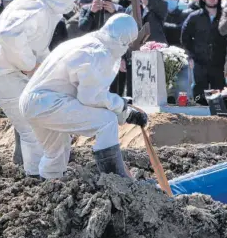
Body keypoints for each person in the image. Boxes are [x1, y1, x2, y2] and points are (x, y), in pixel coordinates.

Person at [0, 0, 87, 176]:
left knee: (37, 119)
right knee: (32, 124)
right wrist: (29, 65)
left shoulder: (47, 8)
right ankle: (36, 178)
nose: (74, 4)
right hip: (0, 72)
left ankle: (42, 173)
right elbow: (9, 36)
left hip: (6, 68)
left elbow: (38, 46)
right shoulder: (37, 8)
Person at [19, 14, 147, 179]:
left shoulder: (85, 43)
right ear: (126, 40)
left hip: (33, 103)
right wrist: (122, 108)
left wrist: (124, 112)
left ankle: (49, 192)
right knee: (106, 122)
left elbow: (93, 94)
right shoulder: (99, 52)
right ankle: (118, 181)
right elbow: (90, 98)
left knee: (57, 152)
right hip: (50, 102)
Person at [181, 0, 226, 104]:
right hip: (200, 61)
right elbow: (185, 37)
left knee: (219, 93)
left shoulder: (224, 16)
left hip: (219, 62)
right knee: (199, 92)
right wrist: (190, 55)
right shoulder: (195, 16)